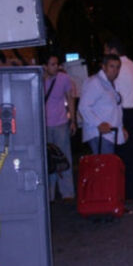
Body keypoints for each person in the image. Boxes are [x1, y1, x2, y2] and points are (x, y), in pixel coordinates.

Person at [104, 39, 133, 201]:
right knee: (131, 154)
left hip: (125, 112)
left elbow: (114, 94)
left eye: (106, 50)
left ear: (113, 50)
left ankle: (130, 192)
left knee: (124, 155)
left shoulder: (119, 68)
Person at [43, 54, 77, 202]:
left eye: (56, 64)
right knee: (48, 160)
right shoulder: (39, 79)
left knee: (64, 157)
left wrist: (73, 120)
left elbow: (70, 98)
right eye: (52, 64)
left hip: (61, 123)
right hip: (44, 125)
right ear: (45, 66)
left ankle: (67, 192)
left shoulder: (64, 79)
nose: (55, 67)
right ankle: (49, 194)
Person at [78, 53, 126, 154]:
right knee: (106, 167)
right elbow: (83, 107)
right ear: (103, 67)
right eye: (111, 66)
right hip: (99, 134)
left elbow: (115, 109)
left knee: (110, 167)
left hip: (110, 133)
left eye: (117, 67)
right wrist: (99, 124)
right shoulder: (95, 82)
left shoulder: (111, 83)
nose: (115, 70)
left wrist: (121, 128)